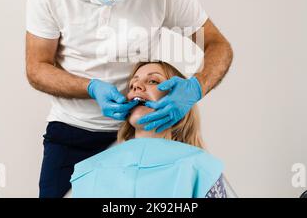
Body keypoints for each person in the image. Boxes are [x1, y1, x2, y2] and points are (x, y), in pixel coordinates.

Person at [25, 0, 233, 198]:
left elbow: (217, 44)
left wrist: (196, 88)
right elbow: (37, 68)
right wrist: (89, 87)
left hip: (144, 132)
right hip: (75, 131)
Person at [70, 61, 236, 198]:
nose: (137, 87)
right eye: (132, 84)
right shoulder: (89, 171)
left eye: (153, 81)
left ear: (180, 101)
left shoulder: (199, 169)